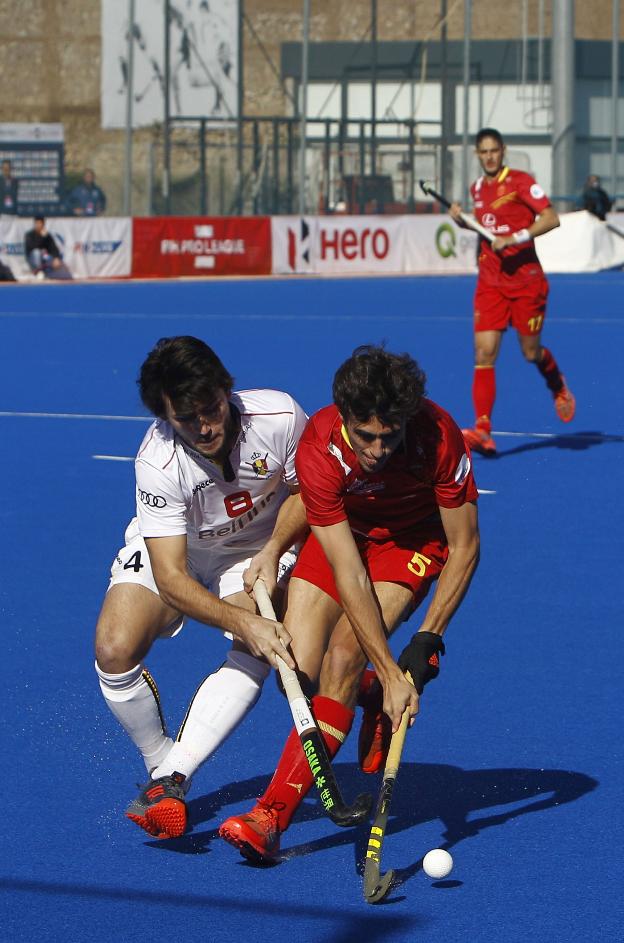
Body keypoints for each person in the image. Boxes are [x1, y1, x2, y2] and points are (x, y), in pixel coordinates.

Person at [219, 344, 480, 863]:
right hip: (345, 538)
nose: (379, 449)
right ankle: (365, 694)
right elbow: (348, 573)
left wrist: (427, 638)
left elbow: (466, 543)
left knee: (344, 653)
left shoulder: (438, 435)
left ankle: (269, 816)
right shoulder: (319, 445)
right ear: (344, 419)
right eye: (366, 436)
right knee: (295, 668)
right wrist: (385, 673)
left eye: (390, 436)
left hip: (410, 541)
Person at [94, 336, 309, 840]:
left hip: (258, 550)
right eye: (187, 419)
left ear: (226, 387)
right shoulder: (158, 461)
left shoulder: (279, 417)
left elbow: (305, 492)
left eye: (211, 408)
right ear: (165, 417)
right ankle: (160, 764)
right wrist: (243, 618)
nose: (206, 426)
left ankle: (174, 778)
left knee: (257, 644)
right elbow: (170, 576)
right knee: (114, 647)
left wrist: (274, 551)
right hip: (179, 550)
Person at [448, 127, 575, 456]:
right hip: (490, 283)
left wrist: (516, 237)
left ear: (502, 151)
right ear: (478, 155)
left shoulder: (520, 181)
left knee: (530, 353)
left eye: (494, 150)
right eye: (483, 152)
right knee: (483, 354)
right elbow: (484, 226)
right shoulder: (477, 189)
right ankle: (483, 429)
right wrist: (463, 221)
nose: (489, 156)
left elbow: (551, 218)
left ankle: (556, 384)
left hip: (526, 282)